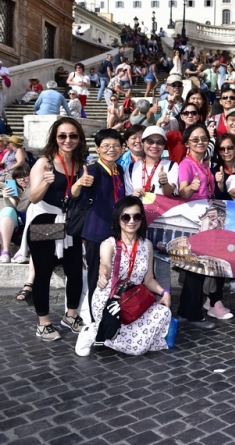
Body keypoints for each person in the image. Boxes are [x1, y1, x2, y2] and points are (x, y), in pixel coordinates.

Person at [75, 196, 172, 356]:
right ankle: (92, 332)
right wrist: (103, 275)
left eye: (137, 216)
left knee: (164, 313)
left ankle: (103, 334)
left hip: (133, 300)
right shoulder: (109, 244)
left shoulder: (146, 245)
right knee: (137, 349)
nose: (131, 221)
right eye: (126, 217)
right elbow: (105, 264)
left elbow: (148, 279)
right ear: (118, 219)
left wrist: (164, 292)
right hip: (110, 300)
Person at [24, 118, 86, 340]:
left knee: (75, 271)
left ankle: (71, 315)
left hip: (70, 223)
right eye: (62, 136)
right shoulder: (44, 163)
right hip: (45, 221)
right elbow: (33, 197)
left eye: (73, 135)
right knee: (43, 273)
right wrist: (46, 182)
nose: (68, 140)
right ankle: (43, 323)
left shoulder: (80, 164)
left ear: (79, 138)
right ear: (55, 138)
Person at [71, 129, 127, 319]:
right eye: (106, 146)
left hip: (116, 231)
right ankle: (95, 319)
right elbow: (75, 196)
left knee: (114, 275)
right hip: (97, 231)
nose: (112, 149)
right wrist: (79, 184)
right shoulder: (93, 169)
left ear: (122, 148)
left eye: (116, 146)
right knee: (97, 276)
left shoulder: (119, 170)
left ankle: (110, 317)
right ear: (97, 148)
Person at [176, 124, 217, 330]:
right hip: (194, 221)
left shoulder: (204, 164)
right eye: (195, 139)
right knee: (197, 267)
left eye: (204, 138)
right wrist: (190, 188)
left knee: (196, 268)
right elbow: (182, 191)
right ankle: (194, 314)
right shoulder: (186, 164)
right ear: (187, 143)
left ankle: (184, 311)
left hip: (206, 220)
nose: (200, 142)